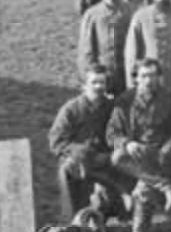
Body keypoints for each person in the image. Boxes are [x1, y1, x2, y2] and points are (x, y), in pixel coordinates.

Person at [107, 59, 171, 232]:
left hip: (161, 157)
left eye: (152, 75)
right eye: (143, 76)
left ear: (160, 77)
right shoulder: (125, 101)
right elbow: (112, 133)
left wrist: (166, 150)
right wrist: (127, 142)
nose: (148, 80)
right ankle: (165, 187)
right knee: (118, 157)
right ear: (136, 78)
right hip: (136, 157)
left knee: (143, 191)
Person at [50, 65, 131, 219]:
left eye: (102, 83)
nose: (99, 87)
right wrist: (80, 151)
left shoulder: (113, 108)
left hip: (106, 160)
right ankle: (74, 219)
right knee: (68, 170)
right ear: (84, 86)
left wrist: (110, 153)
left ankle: (120, 215)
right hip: (80, 160)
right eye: (94, 82)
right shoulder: (71, 109)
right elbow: (57, 141)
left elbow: (120, 133)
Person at [78, 0, 132, 97]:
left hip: (125, 75)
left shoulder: (130, 11)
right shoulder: (92, 14)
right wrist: (89, 76)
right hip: (103, 76)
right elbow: (86, 49)